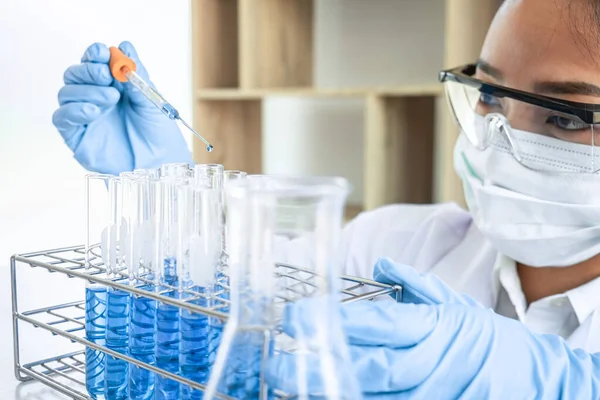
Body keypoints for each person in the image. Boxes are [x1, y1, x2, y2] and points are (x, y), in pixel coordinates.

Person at [51, 0, 600, 397]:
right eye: (487, 95)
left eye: (567, 116)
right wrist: (164, 191)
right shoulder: (392, 248)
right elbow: (226, 307)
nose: (499, 142)